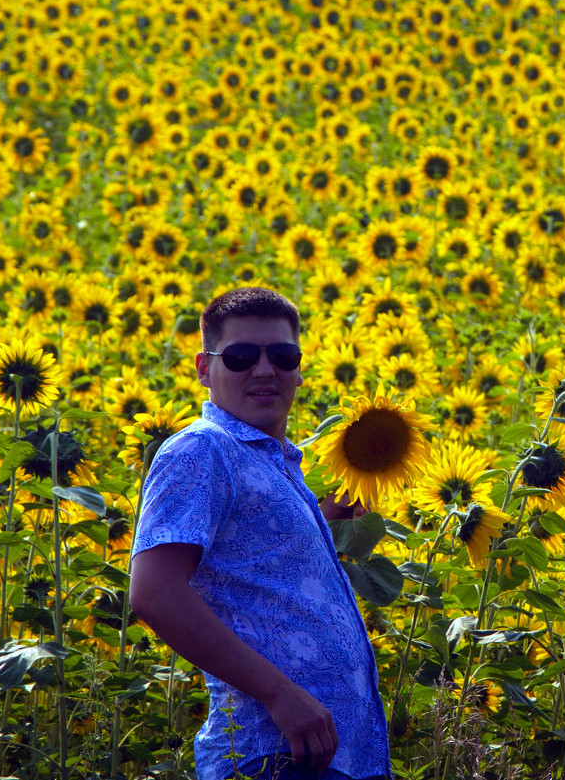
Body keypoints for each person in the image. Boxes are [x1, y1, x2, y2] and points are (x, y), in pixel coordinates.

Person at [129, 287, 391, 780]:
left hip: (337, 755)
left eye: (282, 355)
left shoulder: (276, 463)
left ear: (298, 367)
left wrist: (328, 515)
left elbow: (256, 569)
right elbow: (155, 592)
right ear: (205, 369)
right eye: (242, 356)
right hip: (271, 749)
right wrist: (280, 694)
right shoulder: (204, 449)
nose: (265, 369)